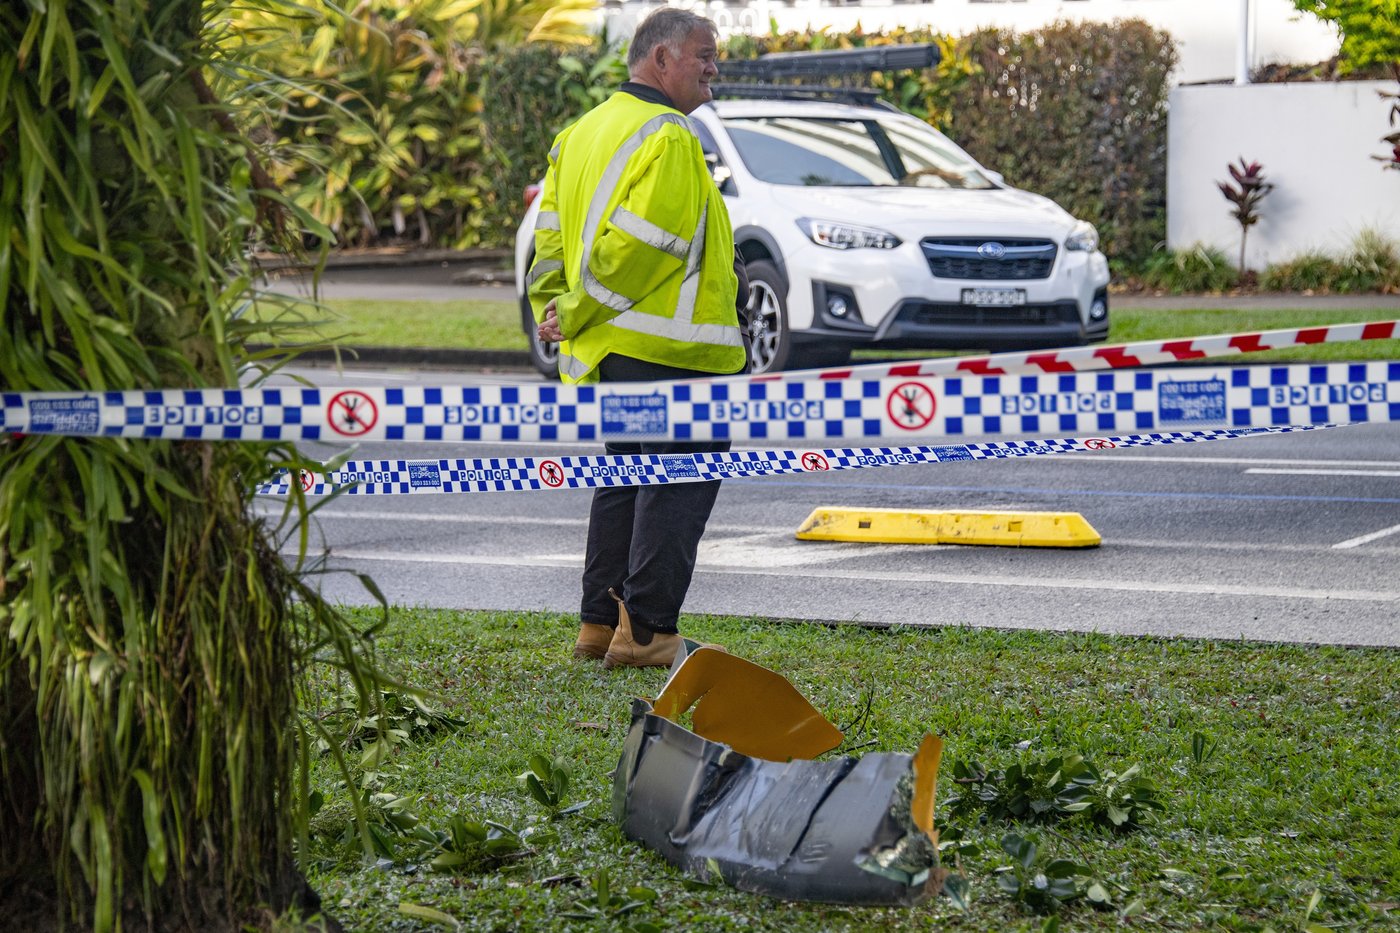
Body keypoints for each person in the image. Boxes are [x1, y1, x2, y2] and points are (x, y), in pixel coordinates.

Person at [527, 8, 749, 669]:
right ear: (659, 60)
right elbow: (649, 244)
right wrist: (577, 306)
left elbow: (549, 241)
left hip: (612, 350)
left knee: (625, 476)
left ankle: (601, 623)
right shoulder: (671, 135)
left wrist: (558, 307)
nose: (715, 68)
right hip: (674, 349)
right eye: (704, 55)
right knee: (680, 475)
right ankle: (648, 630)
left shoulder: (578, 134)